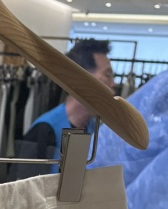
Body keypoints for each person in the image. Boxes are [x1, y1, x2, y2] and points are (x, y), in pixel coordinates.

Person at [8, 39, 115, 180]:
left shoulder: (95, 129)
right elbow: (24, 190)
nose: (113, 84)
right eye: (108, 75)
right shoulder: (44, 130)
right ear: (83, 77)